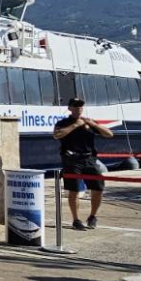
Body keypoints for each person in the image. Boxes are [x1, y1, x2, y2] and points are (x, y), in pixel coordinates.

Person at [53, 98, 113, 231]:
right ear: (69, 108)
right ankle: (76, 220)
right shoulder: (63, 123)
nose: (78, 108)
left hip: (89, 159)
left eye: (80, 106)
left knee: (98, 188)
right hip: (72, 159)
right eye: (75, 106)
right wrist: (75, 125)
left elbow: (109, 134)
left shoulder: (88, 122)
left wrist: (93, 124)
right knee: (74, 190)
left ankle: (92, 216)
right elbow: (56, 135)